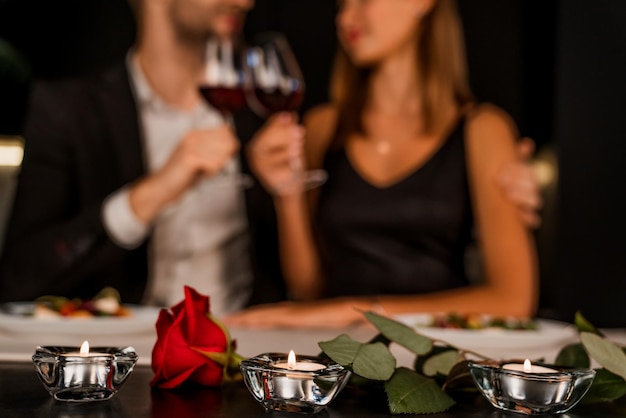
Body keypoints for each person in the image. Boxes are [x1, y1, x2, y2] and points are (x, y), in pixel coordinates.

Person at [226, 0, 539, 327]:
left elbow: (513, 301)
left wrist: (356, 313)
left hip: (434, 355)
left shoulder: (483, 129)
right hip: (337, 352)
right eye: (341, 5)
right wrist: (286, 195)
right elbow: (307, 288)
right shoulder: (323, 127)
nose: (347, 17)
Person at [0, 0, 303, 316]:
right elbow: (18, 280)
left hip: (246, 349)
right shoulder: (69, 112)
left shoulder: (263, 111)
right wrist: (146, 196)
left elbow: (311, 282)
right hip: (128, 354)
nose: (245, 2)